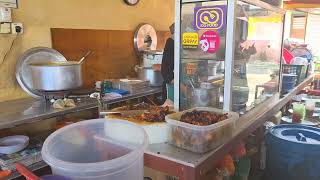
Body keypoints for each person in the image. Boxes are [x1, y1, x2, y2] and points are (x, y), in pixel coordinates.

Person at [161, 23, 175, 103]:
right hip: (171, 90)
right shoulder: (171, 43)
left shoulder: (186, 46)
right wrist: (182, 87)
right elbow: (165, 72)